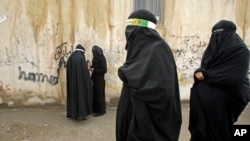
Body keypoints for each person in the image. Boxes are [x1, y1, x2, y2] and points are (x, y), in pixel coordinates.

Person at [116, 9, 182, 141]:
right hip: (130, 113)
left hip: (148, 126)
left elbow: (164, 91)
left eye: (132, 32)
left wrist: (133, 80)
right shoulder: (138, 50)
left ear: (141, 31)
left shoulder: (159, 49)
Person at [188, 20, 250, 141]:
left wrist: (206, 76)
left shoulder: (241, 52)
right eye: (214, 35)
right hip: (204, 106)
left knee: (219, 133)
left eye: (220, 35)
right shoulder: (211, 52)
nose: (216, 39)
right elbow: (204, 70)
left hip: (225, 103)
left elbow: (234, 78)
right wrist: (198, 73)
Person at [66, 44, 93, 120]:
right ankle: (81, 114)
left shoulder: (71, 57)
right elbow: (85, 72)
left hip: (72, 84)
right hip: (81, 84)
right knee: (81, 97)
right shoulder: (81, 57)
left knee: (73, 97)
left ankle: (73, 113)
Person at [89, 45, 107, 117]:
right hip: (95, 79)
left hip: (99, 80)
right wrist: (91, 67)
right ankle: (96, 109)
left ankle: (101, 111)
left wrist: (94, 70)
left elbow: (104, 70)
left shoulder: (102, 58)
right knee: (95, 95)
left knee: (99, 95)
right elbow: (95, 66)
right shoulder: (96, 57)